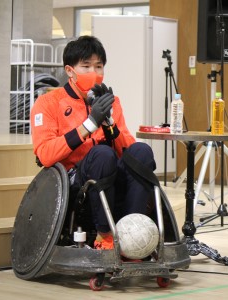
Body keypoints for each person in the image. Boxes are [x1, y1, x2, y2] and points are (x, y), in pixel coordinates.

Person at [31, 35, 156, 250]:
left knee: (142, 151)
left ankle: (133, 233)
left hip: (110, 173)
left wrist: (109, 123)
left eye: (99, 67)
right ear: (70, 71)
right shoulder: (48, 103)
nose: (94, 73)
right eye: (86, 66)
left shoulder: (112, 101)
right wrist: (89, 124)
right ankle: (104, 237)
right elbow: (45, 154)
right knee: (102, 154)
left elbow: (127, 148)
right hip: (74, 179)